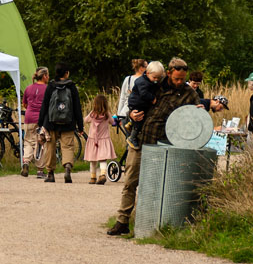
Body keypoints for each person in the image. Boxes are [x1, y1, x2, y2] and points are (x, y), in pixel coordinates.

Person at [108, 57, 199, 235]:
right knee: (130, 181)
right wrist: (131, 114)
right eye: (176, 78)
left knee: (157, 185)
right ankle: (122, 220)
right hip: (142, 140)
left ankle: (153, 223)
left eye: (183, 79)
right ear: (170, 73)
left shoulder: (188, 93)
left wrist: (201, 109)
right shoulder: (153, 84)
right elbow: (133, 102)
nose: (180, 82)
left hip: (165, 146)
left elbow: (196, 112)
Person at [37, 62, 83, 183]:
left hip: (51, 122)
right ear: (66, 73)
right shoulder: (71, 86)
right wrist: (80, 125)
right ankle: (67, 167)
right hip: (68, 123)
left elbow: (45, 105)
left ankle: (50, 173)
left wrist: (41, 123)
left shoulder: (51, 86)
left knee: (50, 147)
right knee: (67, 147)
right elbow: (77, 107)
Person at [125, 61, 165, 150]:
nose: (156, 80)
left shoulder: (151, 80)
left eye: (158, 78)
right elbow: (143, 94)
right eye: (154, 77)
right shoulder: (142, 82)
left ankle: (130, 124)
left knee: (143, 117)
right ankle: (132, 138)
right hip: (137, 103)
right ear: (147, 73)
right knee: (140, 119)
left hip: (142, 104)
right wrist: (152, 99)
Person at [21, 66, 49, 178]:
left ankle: (26, 162)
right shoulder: (47, 88)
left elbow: (25, 104)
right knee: (41, 143)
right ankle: (40, 170)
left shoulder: (28, 88)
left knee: (28, 141)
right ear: (45, 76)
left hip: (28, 118)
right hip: (41, 119)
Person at [83, 94, 116, 185]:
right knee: (103, 160)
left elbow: (85, 120)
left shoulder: (92, 114)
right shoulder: (107, 115)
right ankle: (102, 175)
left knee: (92, 160)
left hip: (93, 140)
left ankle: (93, 177)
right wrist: (114, 119)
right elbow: (113, 122)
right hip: (104, 140)